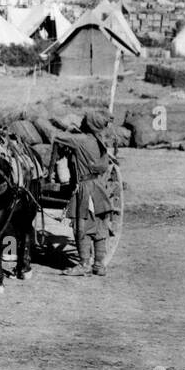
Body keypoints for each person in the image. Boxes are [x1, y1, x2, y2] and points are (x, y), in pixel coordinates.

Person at [54, 109, 120, 277]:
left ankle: (84, 264)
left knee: (81, 225)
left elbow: (56, 137)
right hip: (99, 186)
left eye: (85, 121)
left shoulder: (81, 140)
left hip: (85, 188)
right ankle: (99, 265)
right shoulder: (99, 141)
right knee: (99, 225)